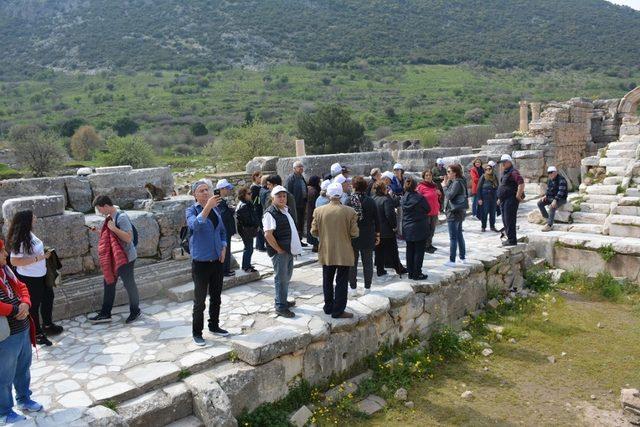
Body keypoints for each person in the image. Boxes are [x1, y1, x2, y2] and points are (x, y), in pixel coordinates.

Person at [0, 238, 43, 424]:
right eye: (2, 252)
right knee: (4, 375)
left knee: (23, 369)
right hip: (6, 335)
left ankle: (24, 399)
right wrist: (15, 310)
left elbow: (22, 286)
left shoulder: (6, 271)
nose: (6, 255)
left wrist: (25, 303)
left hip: (23, 328)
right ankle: (4, 410)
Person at [7, 211, 62, 346]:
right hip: (29, 278)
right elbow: (14, 261)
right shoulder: (19, 238)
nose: (35, 218)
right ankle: (36, 333)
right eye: (33, 217)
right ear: (27, 220)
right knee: (34, 306)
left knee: (48, 298)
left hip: (41, 275)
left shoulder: (30, 233)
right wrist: (40, 257)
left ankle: (47, 325)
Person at [185, 180, 228, 346]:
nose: (205, 192)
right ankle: (197, 333)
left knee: (216, 297)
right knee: (200, 301)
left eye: (207, 190)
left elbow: (222, 231)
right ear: (195, 195)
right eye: (201, 190)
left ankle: (214, 326)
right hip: (201, 262)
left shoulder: (216, 210)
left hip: (217, 260)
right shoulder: (190, 210)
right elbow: (195, 226)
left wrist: (223, 247)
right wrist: (207, 207)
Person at [88, 195, 141, 324]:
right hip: (116, 257)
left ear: (106, 206)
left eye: (100, 209)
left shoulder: (121, 217)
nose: (99, 212)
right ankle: (105, 313)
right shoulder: (110, 217)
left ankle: (135, 311)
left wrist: (113, 228)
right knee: (109, 282)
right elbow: (112, 237)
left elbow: (128, 238)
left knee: (129, 285)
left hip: (126, 257)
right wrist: (98, 231)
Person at [311, 183, 359, 318]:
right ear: (341, 194)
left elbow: (314, 231)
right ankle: (338, 310)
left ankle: (328, 307)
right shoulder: (350, 211)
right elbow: (355, 233)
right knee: (342, 281)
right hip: (344, 251)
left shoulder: (318, 211)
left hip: (326, 251)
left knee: (327, 280)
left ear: (328, 194)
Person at [263, 185, 301, 318]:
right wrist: (278, 249)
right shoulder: (270, 213)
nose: (282, 198)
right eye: (279, 196)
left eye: (284, 196)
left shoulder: (285, 210)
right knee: (281, 279)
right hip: (280, 252)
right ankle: (280, 306)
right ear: (273, 198)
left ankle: (282, 300)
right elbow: (268, 235)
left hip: (287, 250)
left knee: (287, 277)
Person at [345, 176, 379, 294]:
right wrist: (377, 235)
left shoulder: (348, 201)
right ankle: (367, 288)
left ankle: (353, 288)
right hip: (368, 235)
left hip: (353, 235)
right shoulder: (370, 201)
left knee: (352, 263)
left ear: (354, 186)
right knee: (368, 262)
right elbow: (377, 219)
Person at [372, 181, 407, 278]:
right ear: (383, 189)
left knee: (379, 251)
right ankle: (398, 269)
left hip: (376, 230)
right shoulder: (385, 200)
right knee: (393, 251)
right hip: (387, 231)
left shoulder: (373, 199)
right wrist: (394, 226)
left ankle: (380, 270)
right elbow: (390, 215)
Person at [402, 177, 429, 280]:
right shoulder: (420, 198)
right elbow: (428, 209)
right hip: (419, 226)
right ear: (415, 186)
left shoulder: (404, 198)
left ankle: (410, 272)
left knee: (410, 250)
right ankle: (417, 273)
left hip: (408, 226)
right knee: (419, 251)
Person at [443, 164, 468, 267]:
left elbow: (449, 195)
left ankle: (452, 260)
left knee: (453, 237)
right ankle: (462, 257)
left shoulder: (457, 183)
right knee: (459, 235)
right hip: (459, 212)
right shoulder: (460, 181)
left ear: (455, 173)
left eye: (449, 172)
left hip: (453, 212)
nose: (447, 173)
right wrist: (448, 183)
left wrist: (444, 186)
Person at [497, 154, 525, 246]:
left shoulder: (513, 172)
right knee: (505, 219)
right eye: (502, 163)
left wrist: (518, 195)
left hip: (511, 200)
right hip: (504, 200)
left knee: (510, 220)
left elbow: (521, 182)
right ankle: (509, 238)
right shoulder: (505, 172)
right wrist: (499, 198)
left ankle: (512, 240)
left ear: (509, 162)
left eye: (504, 162)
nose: (502, 164)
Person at [215, 179, 236, 277]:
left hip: (226, 229)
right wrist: (230, 211)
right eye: (226, 188)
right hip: (225, 229)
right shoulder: (219, 201)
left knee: (227, 249)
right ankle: (225, 270)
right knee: (225, 250)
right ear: (221, 189)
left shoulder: (221, 200)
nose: (228, 190)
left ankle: (226, 269)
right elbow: (223, 216)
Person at [235, 187, 259, 273]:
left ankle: (247, 264)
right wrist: (256, 224)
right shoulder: (244, 206)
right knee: (248, 248)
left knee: (249, 247)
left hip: (246, 229)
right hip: (246, 230)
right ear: (243, 195)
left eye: (251, 193)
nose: (251, 194)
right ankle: (246, 266)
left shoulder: (246, 203)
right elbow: (248, 220)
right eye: (249, 193)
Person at [417, 170, 441, 253]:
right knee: (426, 230)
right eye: (426, 175)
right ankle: (425, 246)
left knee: (432, 230)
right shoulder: (421, 186)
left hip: (434, 211)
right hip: (425, 213)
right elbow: (417, 199)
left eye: (430, 175)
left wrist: (439, 193)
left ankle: (429, 244)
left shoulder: (434, 186)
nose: (428, 177)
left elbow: (436, 197)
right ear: (423, 177)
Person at [285, 161, 308, 246]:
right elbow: (288, 192)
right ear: (294, 168)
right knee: (296, 223)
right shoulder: (291, 178)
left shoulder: (301, 177)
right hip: (294, 205)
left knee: (301, 222)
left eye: (302, 166)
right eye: (299, 166)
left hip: (302, 203)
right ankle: (295, 241)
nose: (301, 168)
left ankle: (299, 240)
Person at [539, 166, 568, 232]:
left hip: (561, 199)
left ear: (555, 172)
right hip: (551, 198)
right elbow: (549, 190)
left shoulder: (561, 179)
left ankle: (549, 225)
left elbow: (561, 192)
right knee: (540, 203)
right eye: (548, 173)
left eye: (551, 172)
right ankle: (547, 219)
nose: (550, 174)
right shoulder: (550, 180)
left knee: (552, 207)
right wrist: (546, 196)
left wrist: (555, 200)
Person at [477, 161, 499, 232]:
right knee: (485, 212)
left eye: (489, 169)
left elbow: (497, 187)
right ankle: (483, 226)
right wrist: (479, 198)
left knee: (493, 213)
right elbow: (479, 188)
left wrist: (498, 198)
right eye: (486, 169)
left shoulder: (494, 176)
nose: (488, 170)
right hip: (485, 197)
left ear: (492, 169)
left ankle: (492, 226)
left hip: (493, 197)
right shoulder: (483, 176)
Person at [305, 176, 322, 252]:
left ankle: (315, 245)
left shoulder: (310, 189)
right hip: (313, 212)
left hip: (311, 211)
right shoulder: (313, 191)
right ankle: (315, 246)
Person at [251, 172, 266, 252]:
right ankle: (260, 246)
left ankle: (259, 245)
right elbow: (255, 200)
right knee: (260, 227)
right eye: (260, 177)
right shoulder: (254, 188)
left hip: (260, 208)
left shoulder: (259, 187)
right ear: (255, 177)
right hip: (257, 209)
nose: (261, 178)